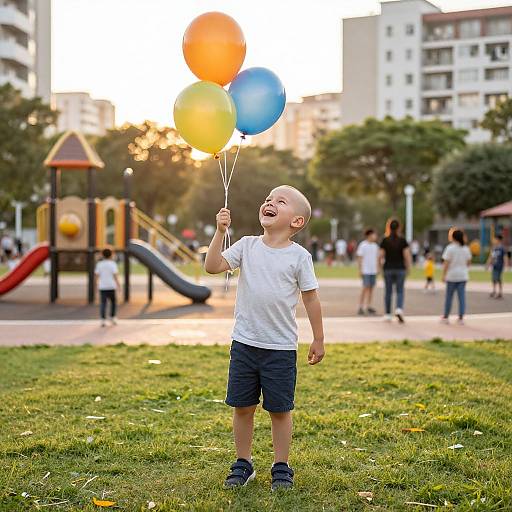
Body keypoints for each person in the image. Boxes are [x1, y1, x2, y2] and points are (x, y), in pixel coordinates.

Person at [205, 185, 324, 491]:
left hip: (280, 349)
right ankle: (243, 463)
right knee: (242, 407)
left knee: (279, 411)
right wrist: (220, 231)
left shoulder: (300, 257)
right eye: (268, 199)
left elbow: (311, 299)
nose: (269, 203)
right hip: (245, 344)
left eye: (279, 202)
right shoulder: (246, 246)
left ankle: (281, 466)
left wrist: (318, 338)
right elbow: (212, 266)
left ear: (296, 222)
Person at [379, 219, 411, 323]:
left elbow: (380, 256)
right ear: (399, 228)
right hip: (400, 268)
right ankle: (399, 309)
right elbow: (407, 256)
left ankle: (388, 314)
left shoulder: (385, 240)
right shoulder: (402, 240)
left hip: (388, 268)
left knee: (388, 291)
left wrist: (379, 268)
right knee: (400, 291)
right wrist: (408, 267)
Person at [441, 228, 472, 325]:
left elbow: (446, 263)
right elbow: (468, 262)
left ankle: (446, 316)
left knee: (449, 297)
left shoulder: (450, 248)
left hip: (452, 276)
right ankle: (461, 317)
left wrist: (444, 274)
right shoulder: (466, 249)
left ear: (452, 237)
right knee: (461, 297)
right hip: (462, 276)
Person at [95, 248, 120, 327]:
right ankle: (112, 317)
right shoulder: (113, 264)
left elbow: (97, 276)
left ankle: (103, 320)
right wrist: (118, 285)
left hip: (102, 287)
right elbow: (115, 276)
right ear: (111, 254)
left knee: (103, 303)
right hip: (111, 286)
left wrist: (96, 285)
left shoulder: (99, 264)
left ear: (102, 255)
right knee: (113, 303)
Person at [356, 228, 379, 315]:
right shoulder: (363, 245)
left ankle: (368, 306)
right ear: (369, 235)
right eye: (374, 234)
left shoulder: (375, 246)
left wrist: (378, 268)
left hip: (373, 271)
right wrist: (360, 269)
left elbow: (377, 258)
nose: (375, 236)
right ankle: (360, 306)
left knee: (371, 289)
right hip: (366, 271)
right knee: (365, 288)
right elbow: (359, 258)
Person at [486, 235, 509, 299]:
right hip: (494, 266)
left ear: (499, 240)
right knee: (493, 279)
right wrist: (488, 264)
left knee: (498, 279)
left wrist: (506, 265)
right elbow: (491, 257)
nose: (493, 241)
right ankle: (494, 290)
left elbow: (505, 257)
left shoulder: (502, 248)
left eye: (495, 239)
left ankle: (500, 292)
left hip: (500, 266)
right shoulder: (494, 248)